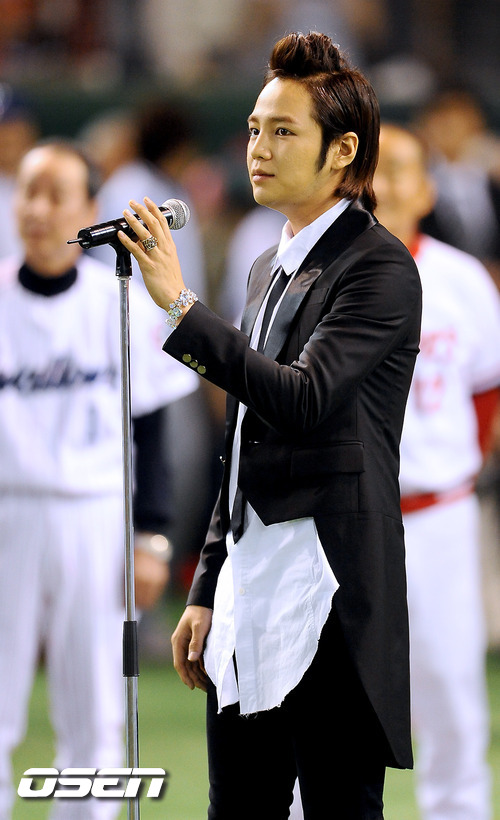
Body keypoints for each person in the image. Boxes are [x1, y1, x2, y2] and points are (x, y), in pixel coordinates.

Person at [119, 32, 422, 820]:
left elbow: (303, 398)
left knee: (338, 806)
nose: (258, 147)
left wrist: (182, 307)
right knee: (238, 807)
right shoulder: (266, 266)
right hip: (248, 587)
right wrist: (206, 585)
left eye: (283, 131)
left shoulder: (381, 267)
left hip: (332, 592)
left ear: (342, 151)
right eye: (255, 128)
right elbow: (240, 443)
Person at [0, 140, 197, 820]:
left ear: (89, 206)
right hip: (8, 510)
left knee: (94, 707)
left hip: (94, 513)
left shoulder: (119, 299)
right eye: (29, 192)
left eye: (56, 194)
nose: (38, 209)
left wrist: (153, 536)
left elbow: (152, 427)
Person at [373, 124, 500, 820]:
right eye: (369, 169)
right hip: (344, 520)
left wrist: (453, 469)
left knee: (452, 692)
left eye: (397, 169)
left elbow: (485, 395)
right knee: (322, 700)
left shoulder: (462, 280)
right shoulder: (314, 272)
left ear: (425, 190)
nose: (381, 184)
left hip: (438, 516)